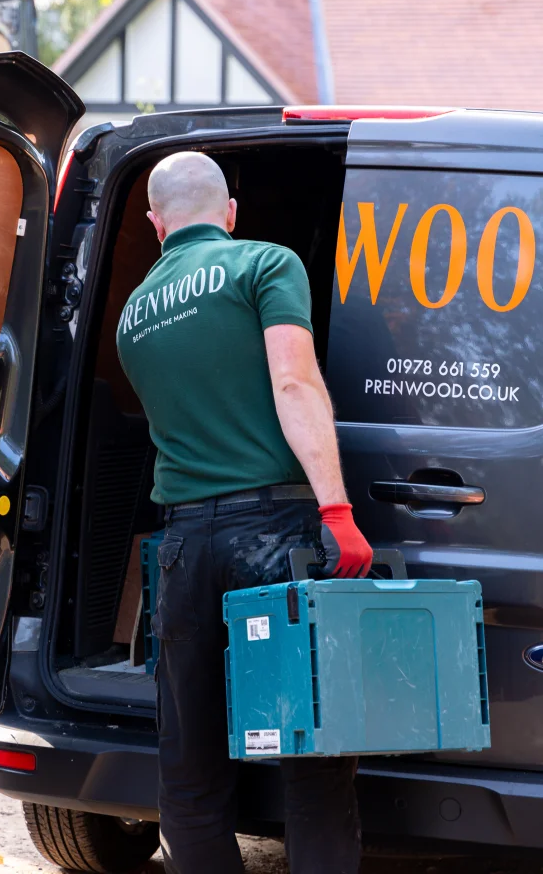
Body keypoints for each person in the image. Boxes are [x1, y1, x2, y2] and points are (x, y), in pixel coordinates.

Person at [116, 151, 373, 874]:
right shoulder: (263, 263)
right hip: (274, 541)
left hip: (183, 549)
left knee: (190, 773)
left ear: (154, 222)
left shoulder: (132, 312)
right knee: (311, 762)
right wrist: (336, 509)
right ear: (229, 211)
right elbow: (292, 384)